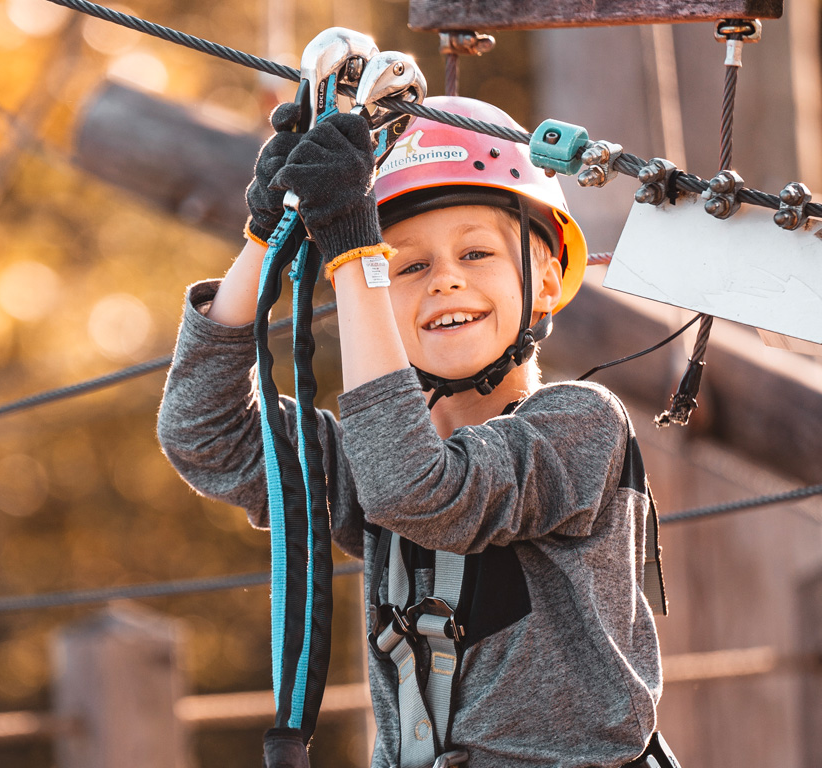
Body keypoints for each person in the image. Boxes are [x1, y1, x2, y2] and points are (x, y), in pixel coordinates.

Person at [156, 95, 666, 768]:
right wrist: (264, 241)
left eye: (478, 252)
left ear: (545, 278)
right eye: (408, 266)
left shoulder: (580, 425)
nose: (446, 280)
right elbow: (205, 433)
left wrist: (357, 254)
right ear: (370, 303)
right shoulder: (369, 460)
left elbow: (421, 491)